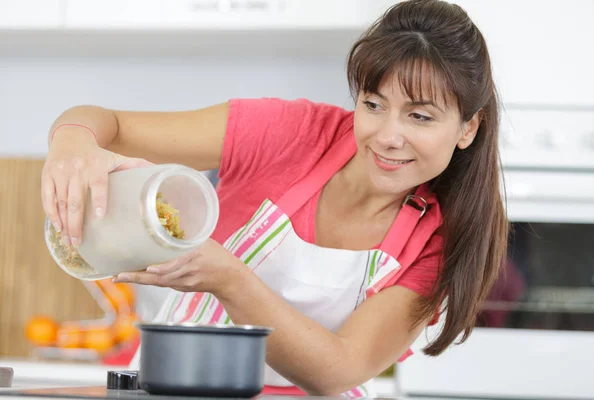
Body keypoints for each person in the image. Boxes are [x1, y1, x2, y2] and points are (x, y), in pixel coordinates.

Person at [40, 0, 508, 396]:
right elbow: (109, 126)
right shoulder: (292, 133)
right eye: (372, 104)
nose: (388, 136)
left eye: (420, 117)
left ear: (468, 127)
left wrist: (228, 279)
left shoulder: (440, 239)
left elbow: (336, 370)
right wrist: (73, 144)